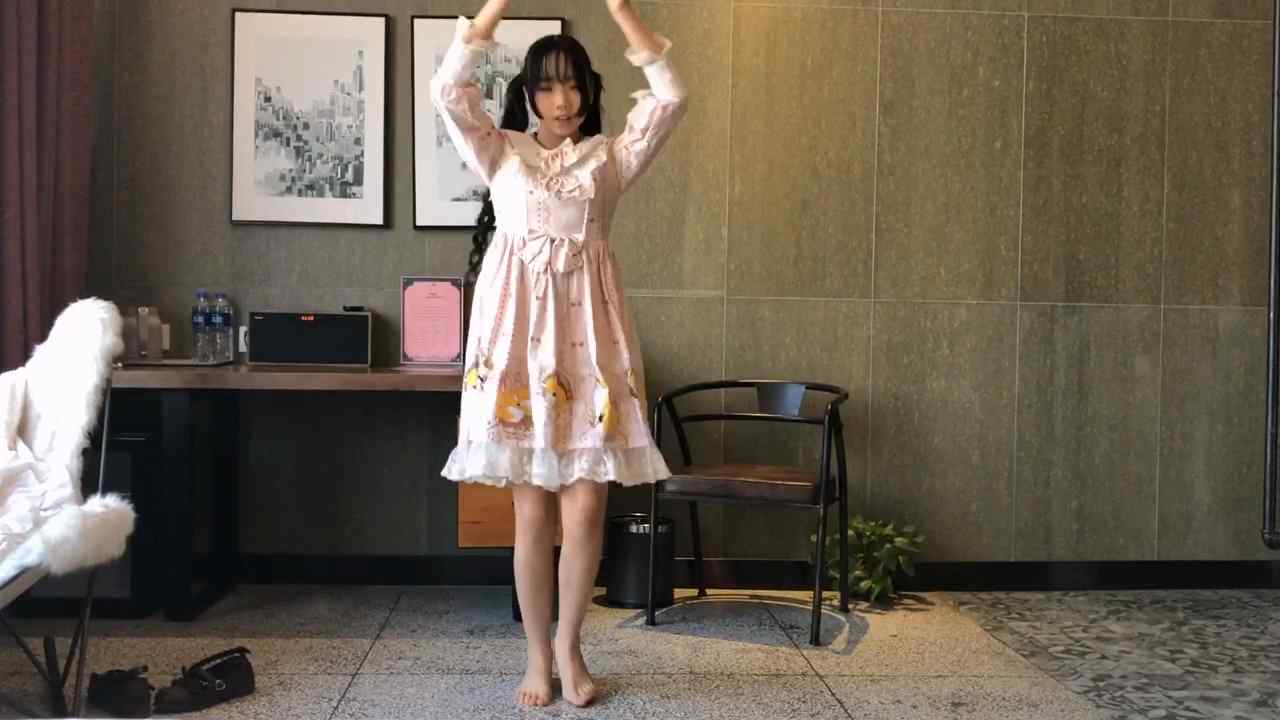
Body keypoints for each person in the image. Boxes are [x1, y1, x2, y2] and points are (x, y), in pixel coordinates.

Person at [432, 0, 687, 708]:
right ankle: (536, 657)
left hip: (590, 352)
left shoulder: (611, 159)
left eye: (573, 85)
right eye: (547, 86)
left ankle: (571, 647)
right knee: (531, 516)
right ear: (528, 93)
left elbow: (670, 97)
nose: (562, 100)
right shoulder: (500, 151)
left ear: (588, 92)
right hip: (518, 350)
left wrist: (621, 10)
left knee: (586, 511)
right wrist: (495, 7)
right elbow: (448, 89)